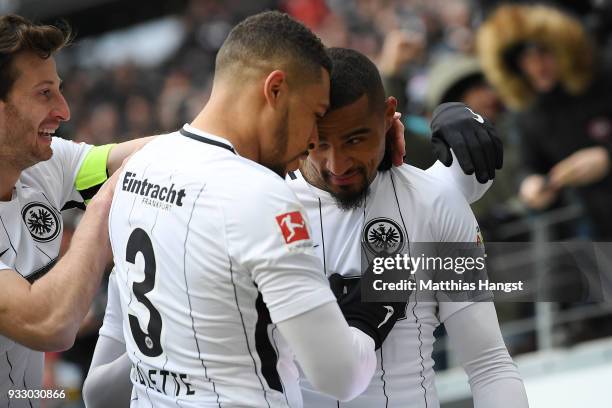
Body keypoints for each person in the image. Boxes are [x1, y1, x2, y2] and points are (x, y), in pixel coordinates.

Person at [82, 49, 514, 408]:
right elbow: (99, 394)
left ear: (388, 118)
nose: (337, 163)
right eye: (318, 143)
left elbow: (489, 363)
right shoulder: (248, 207)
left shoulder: (435, 202)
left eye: (356, 139)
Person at [92, 11, 408, 407]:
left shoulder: (137, 169)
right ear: (275, 89)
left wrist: (186, 341)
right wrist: (373, 307)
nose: (314, 140)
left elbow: (96, 394)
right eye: (314, 115)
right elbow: (341, 377)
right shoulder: (261, 196)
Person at [0, 14, 153, 407]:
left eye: (61, 91)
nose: (65, 111)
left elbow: (132, 156)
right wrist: (102, 204)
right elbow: (50, 321)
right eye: (44, 93)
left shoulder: (42, 164)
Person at [477, 4, 612, 239]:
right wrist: (531, 185)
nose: (537, 66)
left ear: (564, 49)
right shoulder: (528, 111)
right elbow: (528, 165)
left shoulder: (604, 79)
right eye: (525, 59)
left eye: (544, 53)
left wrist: (607, 157)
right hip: (593, 230)